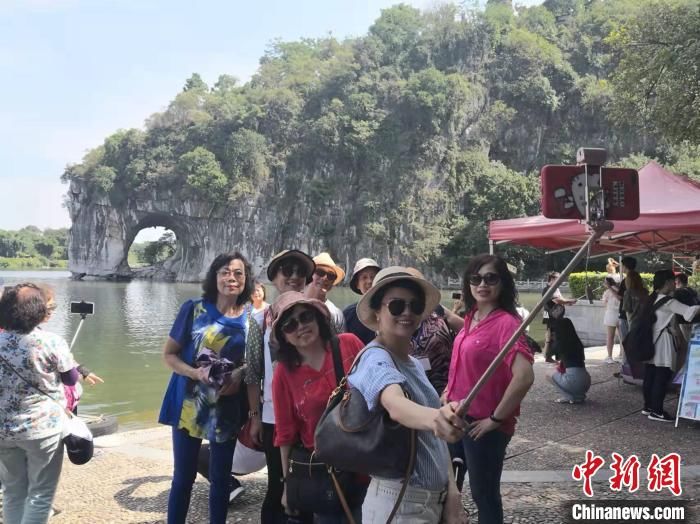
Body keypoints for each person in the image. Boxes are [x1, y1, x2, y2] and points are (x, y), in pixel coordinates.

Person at [349, 266, 467, 524]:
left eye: (415, 306)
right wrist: (437, 417)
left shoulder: (412, 361)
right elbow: (395, 403)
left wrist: (453, 495)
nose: (407, 313)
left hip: (431, 501)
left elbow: (434, 440)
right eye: (396, 305)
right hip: (400, 505)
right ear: (378, 312)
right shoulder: (374, 358)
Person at [158, 252, 263, 524]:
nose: (232, 278)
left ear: (246, 280)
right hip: (189, 404)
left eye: (239, 273)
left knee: (220, 478)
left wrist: (242, 382)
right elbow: (170, 355)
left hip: (227, 406)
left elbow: (252, 367)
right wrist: (194, 372)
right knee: (183, 477)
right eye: (225, 272)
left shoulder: (252, 318)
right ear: (214, 277)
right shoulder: (194, 309)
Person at [445, 254, 535, 524]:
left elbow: (524, 376)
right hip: (455, 416)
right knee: (451, 489)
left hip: (481, 426)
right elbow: (462, 361)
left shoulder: (507, 324)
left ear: (502, 283)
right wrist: (447, 392)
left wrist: (495, 419)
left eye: (490, 278)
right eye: (476, 278)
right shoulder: (472, 317)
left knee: (484, 494)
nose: (482, 284)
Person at [271, 292, 366, 523]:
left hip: (368, 457)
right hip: (326, 472)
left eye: (305, 317)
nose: (301, 327)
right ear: (283, 336)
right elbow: (285, 434)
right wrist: (287, 486)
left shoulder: (349, 344)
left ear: (317, 317)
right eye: (290, 324)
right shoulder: (284, 374)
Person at [0, 283, 79, 524]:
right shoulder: (51, 342)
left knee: (13, 492)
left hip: (3, 429)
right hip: (42, 429)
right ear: (38, 312)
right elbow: (71, 378)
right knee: (40, 494)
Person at [251, 249, 315, 524]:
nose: (294, 276)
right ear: (274, 277)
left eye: (301, 272)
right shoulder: (258, 320)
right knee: (278, 483)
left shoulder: (316, 316)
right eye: (287, 270)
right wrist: (254, 416)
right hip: (273, 416)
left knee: (313, 482)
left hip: (313, 414)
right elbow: (253, 373)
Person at [643, 270, 700, 422]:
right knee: (662, 375)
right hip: (663, 341)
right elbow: (689, 312)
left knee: (650, 373)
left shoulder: (651, 297)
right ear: (667, 282)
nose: (674, 284)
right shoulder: (668, 301)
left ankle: (648, 406)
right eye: (672, 281)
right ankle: (657, 411)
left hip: (650, 340)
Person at [547, 318, 591, 404]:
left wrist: (548, 340)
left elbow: (546, 356)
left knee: (548, 373)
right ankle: (578, 396)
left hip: (574, 380)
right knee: (557, 370)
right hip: (586, 380)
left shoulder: (560, 344)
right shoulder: (577, 343)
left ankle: (569, 397)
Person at [343, 258, 382, 345]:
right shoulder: (349, 314)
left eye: (373, 277)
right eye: (364, 277)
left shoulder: (391, 309)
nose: (369, 281)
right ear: (357, 284)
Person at [306, 252, 346, 333]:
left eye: (331, 276)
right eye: (320, 272)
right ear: (309, 274)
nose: (325, 278)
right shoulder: (294, 303)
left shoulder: (335, 314)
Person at [542, 271, 577, 362]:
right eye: (558, 279)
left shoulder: (555, 288)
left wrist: (568, 303)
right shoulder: (548, 289)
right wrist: (569, 300)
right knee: (554, 336)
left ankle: (558, 357)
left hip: (557, 316)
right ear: (552, 279)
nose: (560, 281)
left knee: (557, 335)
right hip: (551, 317)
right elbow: (557, 300)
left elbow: (561, 300)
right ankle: (549, 356)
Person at [601, 277, 621, 364]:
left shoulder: (607, 292)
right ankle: (622, 356)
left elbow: (605, 303)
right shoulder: (619, 290)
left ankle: (609, 356)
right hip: (620, 315)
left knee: (610, 337)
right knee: (622, 337)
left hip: (610, 314)